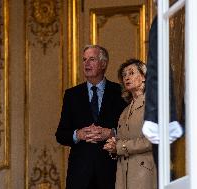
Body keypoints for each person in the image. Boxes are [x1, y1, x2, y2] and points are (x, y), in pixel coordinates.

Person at [55, 45, 126, 189]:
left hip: (110, 171)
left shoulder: (120, 92)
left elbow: (131, 131)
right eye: (84, 60)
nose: (86, 63)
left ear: (103, 64)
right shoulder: (71, 95)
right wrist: (78, 134)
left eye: (91, 59)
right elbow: (61, 134)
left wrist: (111, 133)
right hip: (80, 174)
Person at [141, 0, 183, 169]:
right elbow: (158, 70)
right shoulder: (166, 19)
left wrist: (153, 117)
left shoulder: (167, 19)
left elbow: (157, 70)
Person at [103, 59, 157, 189]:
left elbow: (151, 140)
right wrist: (113, 146)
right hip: (123, 174)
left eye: (131, 73)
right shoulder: (124, 112)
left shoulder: (153, 106)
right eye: (124, 75)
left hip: (143, 173)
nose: (126, 77)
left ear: (143, 77)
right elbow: (121, 141)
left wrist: (120, 146)